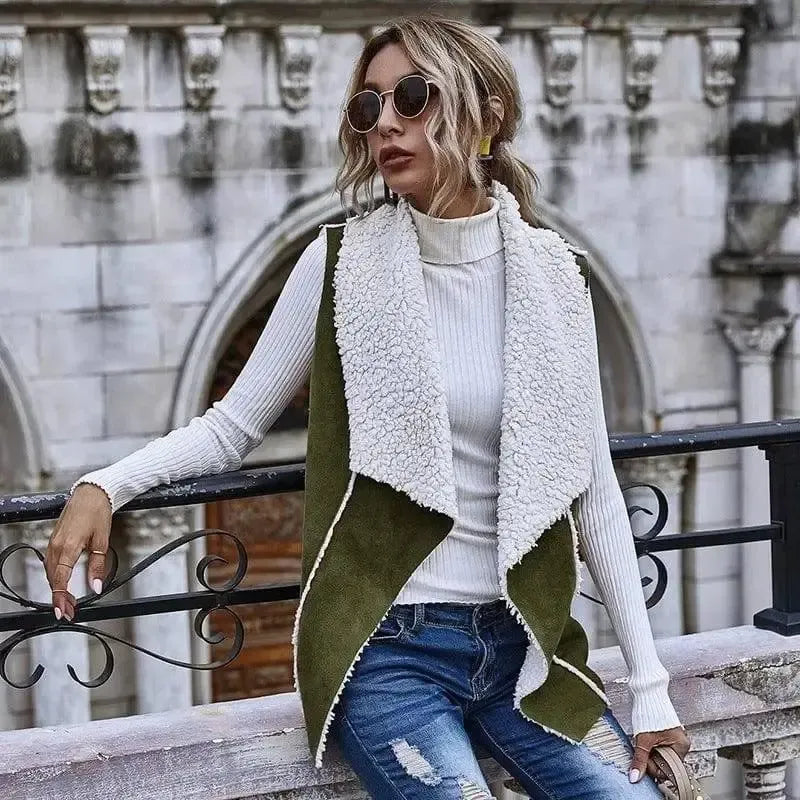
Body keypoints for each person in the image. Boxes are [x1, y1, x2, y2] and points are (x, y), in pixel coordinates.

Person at [44, 14, 690, 800]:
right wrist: (106, 484)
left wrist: (651, 690)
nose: (384, 122)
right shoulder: (339, 264)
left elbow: (594, 490)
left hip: (525, 647)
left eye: (412, 97)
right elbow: (231, 427)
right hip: (389, 654)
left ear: (486, 114)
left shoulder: (557, 276)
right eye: (368, 105)